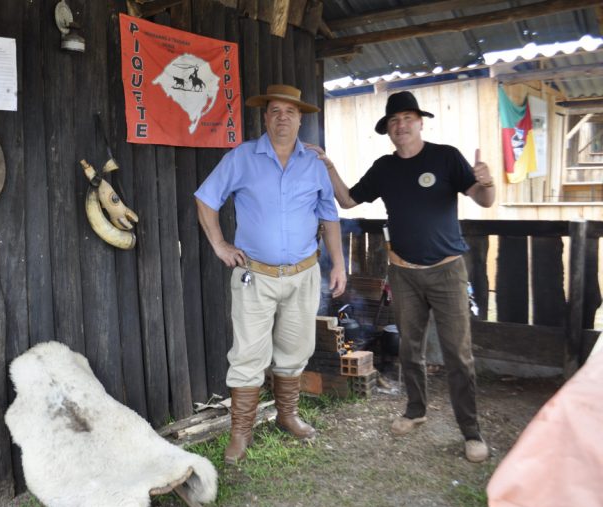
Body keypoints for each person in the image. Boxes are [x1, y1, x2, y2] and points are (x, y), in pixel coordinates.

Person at [308, 90, 495, 463]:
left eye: (407, 118)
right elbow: (347, 200)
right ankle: (415, 410)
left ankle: (471, 432)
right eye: (394, 121)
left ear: (420, 122)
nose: (401, 125)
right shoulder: (384, 168)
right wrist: (328, 165)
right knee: (410, 349)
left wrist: (488, 182)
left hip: (447, 272)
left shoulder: (445, 157)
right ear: (388, 130)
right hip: (404, 274)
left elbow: (484, 200)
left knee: (458, 354)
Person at [195, 84, 347, 465]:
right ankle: (240, 433)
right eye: (275, 111)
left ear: (300, 118)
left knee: (296, 350)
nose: (282, 117)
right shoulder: (243, 157)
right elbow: (206, 198)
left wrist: (339, 263)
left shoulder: (314, 164)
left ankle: (287, 414)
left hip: (303, 273)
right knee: (248, 354)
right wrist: (219, 245)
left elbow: (329, 215)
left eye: (290, 112)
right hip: (255, 276)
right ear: (265, 117)